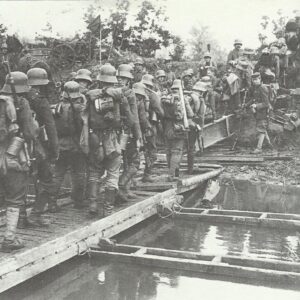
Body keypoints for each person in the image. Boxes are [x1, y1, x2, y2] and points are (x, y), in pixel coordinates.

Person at [0, 72, 38, 252]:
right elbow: (30, 133)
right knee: (14, 198)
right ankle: (8, 239)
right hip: (12, 156)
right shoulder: (21, 103)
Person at [86, 64, 123, 216]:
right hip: (111, 139)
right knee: (113, 173)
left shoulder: (90, 95)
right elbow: (120, 120)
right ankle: (108, 209)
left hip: (94, 137)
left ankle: (93, 204)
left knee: (94, 171)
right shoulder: (117, 97)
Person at [23, 68, 59, 227]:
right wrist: (55, 150)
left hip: (17, 147)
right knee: (47, 180)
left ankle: (20, 217)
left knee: (21, 183)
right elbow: (50, 127)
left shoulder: (18, 98)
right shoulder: (41, 101)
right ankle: (36, 214)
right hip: (37, 146)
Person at [51, 81, 87, 210]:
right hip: (76, 145)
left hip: (60, 144)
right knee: (79, 173)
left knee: (58, 174)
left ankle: (52, 203)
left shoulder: (56, 107)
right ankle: (78, 201)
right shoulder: (80, 108)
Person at [115, 64, 141, 203]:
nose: (121, 80)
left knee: (123, 162)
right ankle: (122, 185)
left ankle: (125, 190)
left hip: (113, 131)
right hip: (126, 131)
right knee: (134, 161)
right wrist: (138, 136)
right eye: (120, 78)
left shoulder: (109, 91)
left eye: (123, 78)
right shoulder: (129, 93)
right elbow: (134, 117)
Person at [161, 79, 187, 181]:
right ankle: (172, 175)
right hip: (177, 127)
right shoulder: (180, 101)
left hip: (167, 127)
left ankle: (174, 173)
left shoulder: (165, 99)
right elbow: (179, 116)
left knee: (169, 151)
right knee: (177, 151)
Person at [140, 74, 164, 182]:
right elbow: (160, 111)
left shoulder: (135, 91)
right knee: (152, 150)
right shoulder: (152, 95)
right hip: (150, 125)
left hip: (137, 126)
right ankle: (147, 174)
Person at [247, 72, 272, 154]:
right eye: (253, 80)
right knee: (262, 128)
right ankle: (269, 144)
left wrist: (256, 105)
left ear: (260, 79)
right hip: (258, 112)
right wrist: (246, 105)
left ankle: (259, 148)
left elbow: (266, 103)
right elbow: (254, 98)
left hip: (264, 112)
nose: (255, 81)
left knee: (261, 129)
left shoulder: (263, 88)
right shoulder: (255, 88)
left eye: (256, 80)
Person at [186, 81, 206, 174]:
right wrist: (200, 128)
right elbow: (201, 115)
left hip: (181, 124)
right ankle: (190, 169)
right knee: (191, 147)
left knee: (177, 149)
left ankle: (175, 171)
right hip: (193, 125)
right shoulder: (199, 99)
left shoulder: (186, 96)